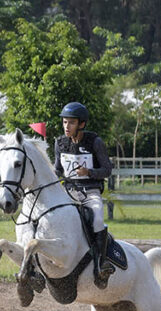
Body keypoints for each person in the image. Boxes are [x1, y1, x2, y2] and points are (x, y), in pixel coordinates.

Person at [54, 101, 115, 288]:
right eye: (64, 122)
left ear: (82, 124)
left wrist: (89, 172)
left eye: (71, 123)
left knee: (97, 219)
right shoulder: (60, 143)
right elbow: (57, 169)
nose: (66, 127)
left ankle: (101, 263)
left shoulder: (95, 142)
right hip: (68, 192)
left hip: (90, 191)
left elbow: (107, 169)